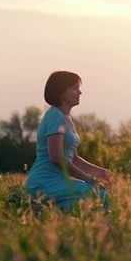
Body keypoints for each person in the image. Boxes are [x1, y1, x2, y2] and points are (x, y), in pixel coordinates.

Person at [25, 71, 113, 211]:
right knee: (99, 195)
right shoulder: (55, 116)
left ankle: (43, 213)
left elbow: (74, 159)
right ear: (61, 92)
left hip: (58, 181)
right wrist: (89, 180)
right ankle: (41, 209)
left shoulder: (67, 118)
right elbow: (56, 157)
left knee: (85, 205)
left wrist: (100, 172)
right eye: (74, 88)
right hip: (44, 182)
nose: (80, 92)